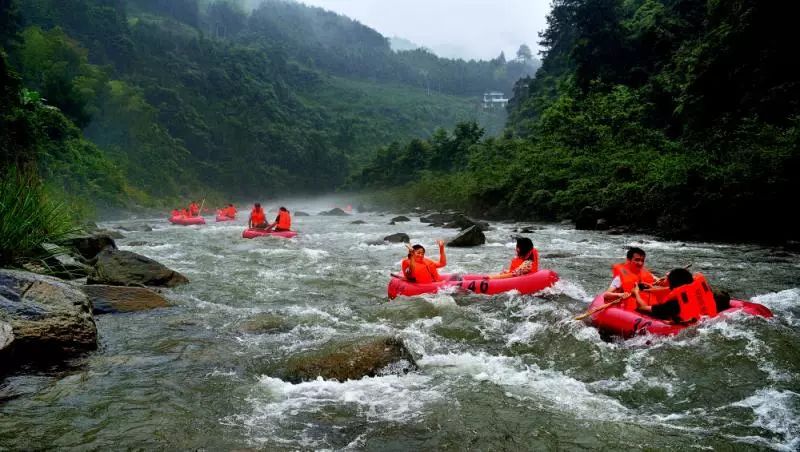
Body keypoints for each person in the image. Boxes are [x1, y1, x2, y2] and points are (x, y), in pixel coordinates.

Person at [633, 268, 717, 323]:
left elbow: (642, 307)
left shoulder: (672, 305)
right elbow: (673, 290)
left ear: (673, 284)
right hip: (708, 322)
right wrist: (651, 289)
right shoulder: (703, 291)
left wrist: (636, 293)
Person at [603, 247, 667, 310]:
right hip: (631, 309)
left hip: (646, 307)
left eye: (642, 260)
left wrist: (667, 278)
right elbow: (606, 294)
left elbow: (661, 283)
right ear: (629, 260)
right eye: (637, 260)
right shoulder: (620, 278)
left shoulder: (648, 274)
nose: (640, 263)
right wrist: (620, 295)